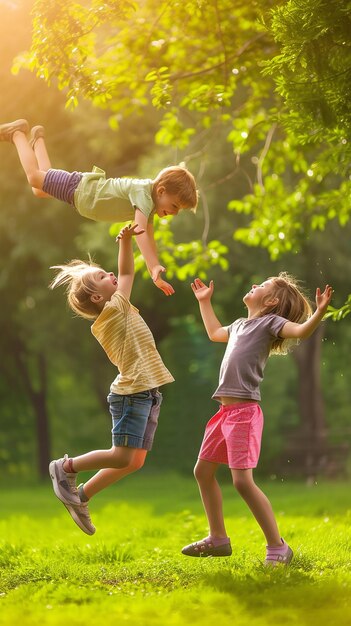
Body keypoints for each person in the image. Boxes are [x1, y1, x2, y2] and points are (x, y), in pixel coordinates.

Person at [182, 273, 333, 565]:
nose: (254, 285)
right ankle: (218, 539)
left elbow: (301, 332)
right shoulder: (239, 325)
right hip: (223, 413)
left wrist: (319, 312)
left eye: (261, 286)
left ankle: (278, 548)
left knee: (242, 482)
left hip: (243, 415)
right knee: (202, 472)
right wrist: (204, 302)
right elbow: (214, 333)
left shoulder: (271, 323)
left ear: (272, 301)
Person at [48, 223, 174, 535]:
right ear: (95, 297)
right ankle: (64, 468)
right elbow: (128, 273)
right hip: (133, 393)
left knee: (133, 462)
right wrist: (126, 242)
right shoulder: (113, 310)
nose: (112, 277)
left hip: (148, 392)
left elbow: (125, 276)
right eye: (104, 277)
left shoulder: (119, 307)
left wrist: (126, 242)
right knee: (120, 456)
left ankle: (80, 497)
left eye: (108, 273)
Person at [0, 119, 198, 296]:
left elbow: (150, 235)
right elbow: (141, 233)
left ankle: (37, 142)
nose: (174, 212)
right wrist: (153, 266)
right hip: (78, 188)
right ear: (161, 191)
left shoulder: (150, 204)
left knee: (40, 190)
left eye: (178, 210)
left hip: (78, 194)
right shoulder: (144, 194)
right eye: (174, 206)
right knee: (35, 178)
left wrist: (154, 266)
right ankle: (17, 134)